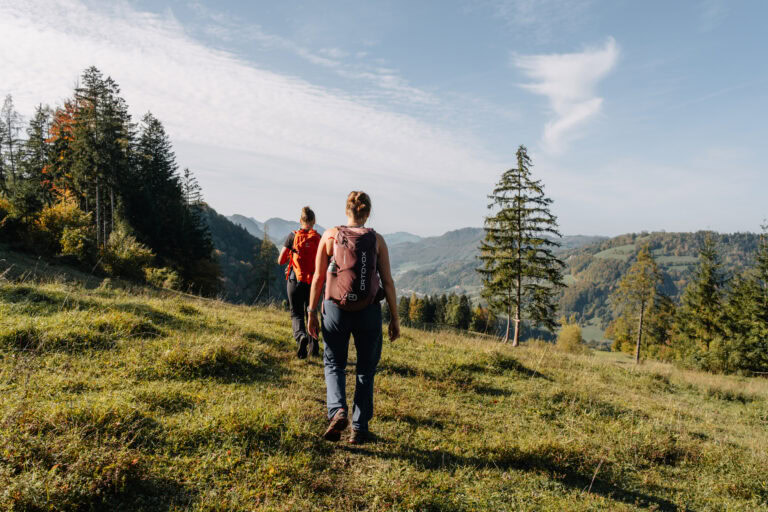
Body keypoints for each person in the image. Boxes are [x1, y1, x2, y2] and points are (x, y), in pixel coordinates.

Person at [308, 191, 400, 444]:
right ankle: (359, 428)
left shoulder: (329, 235)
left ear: (347, 210)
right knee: (365, 370)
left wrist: (311, 312)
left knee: (334, 364)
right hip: (368, 311)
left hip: (335, 309)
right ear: (367, 213)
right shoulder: (377, 240)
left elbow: (317, 278)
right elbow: (388, 282)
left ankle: (337, 411)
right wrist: (394, 317)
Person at [278, 206, 322, 359]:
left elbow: (280, 260)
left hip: (295, 280)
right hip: (313, 283)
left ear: (300, 220)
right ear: (314, 221)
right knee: (311, 313)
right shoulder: (319, 238)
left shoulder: (292, 236)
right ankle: (314, 347)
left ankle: (301, 337)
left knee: (296, 314)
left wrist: (292, 257)